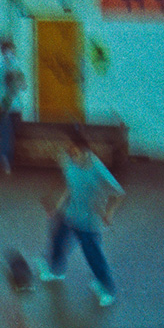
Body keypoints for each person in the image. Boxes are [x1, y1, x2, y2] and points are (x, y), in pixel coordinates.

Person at [39, 126, 125, 306]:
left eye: (73, 150)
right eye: (68, 150)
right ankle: (55, 271)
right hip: (69, 213)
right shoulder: (67, 160)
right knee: (57, 241)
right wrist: (57, 207)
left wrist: (108, 214)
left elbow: (119, 193)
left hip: (88, 220)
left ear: (83, 148)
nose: (70, 153)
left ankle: (107, 289)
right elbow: (70, 186)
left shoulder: (96, 167)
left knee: (93, 255)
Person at [0, 38, 26, 175]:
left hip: (16, 107)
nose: (12, 54)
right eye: (9, 51)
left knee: (14, 133)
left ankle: (5, 158)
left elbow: (23, 86)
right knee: (6, 136)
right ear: (4, 52)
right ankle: (5, 164)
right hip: (3, 108)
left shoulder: (16, 66)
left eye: (13, 52)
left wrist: (17, 76)